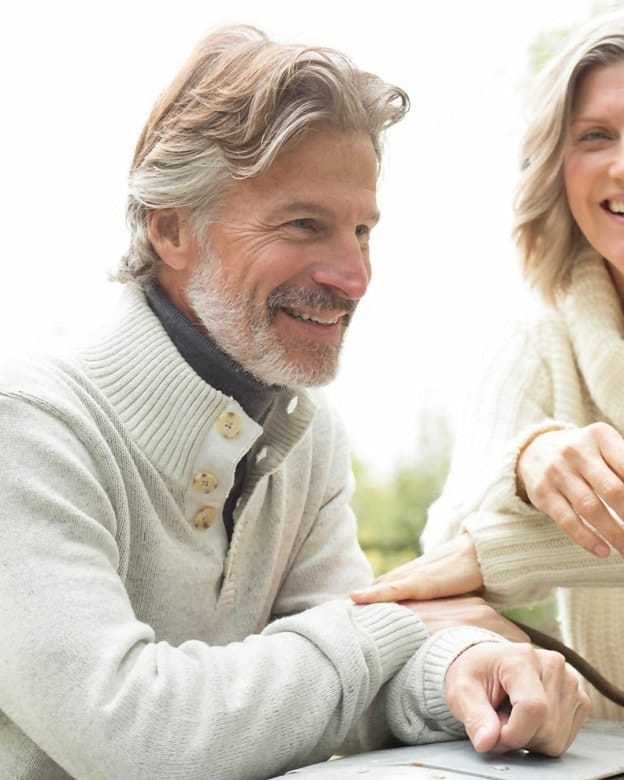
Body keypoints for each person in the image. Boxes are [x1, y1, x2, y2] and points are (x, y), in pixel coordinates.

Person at [0, 25, 589, 780]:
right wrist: (394, 627)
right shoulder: (28, 428)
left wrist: (470, 670)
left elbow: (347, 674)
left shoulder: (304, 437)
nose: (354, 276)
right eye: (304, 224)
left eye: (363, 229)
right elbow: (135, 737)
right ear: (171, 227)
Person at [351, 11, 624, 723]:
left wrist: (499, 554)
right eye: (597, 136)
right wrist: (526, 461)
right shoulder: (532, 341)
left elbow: (469, 561)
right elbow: (443, 569)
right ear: (556, 168)